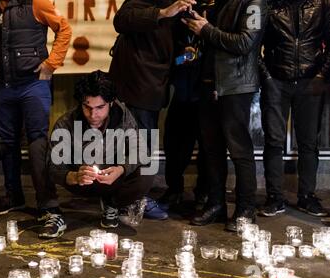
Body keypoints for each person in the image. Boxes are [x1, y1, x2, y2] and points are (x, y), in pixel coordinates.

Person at [0, 0, 72, 224]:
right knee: (8, 142)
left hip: (33, 83)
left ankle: (48, 203)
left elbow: (64, 29)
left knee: (37, 140)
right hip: (3, 84)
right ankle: (14, 197)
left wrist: (51, 64)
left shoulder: (37, 3)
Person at [182, 0, 267, 232]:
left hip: (236, 86)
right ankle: (216, 204)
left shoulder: (254, 3)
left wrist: (206, 29)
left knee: (240, 151)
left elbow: (245, 42)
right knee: (212, 150)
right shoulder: (217, 2)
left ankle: (246, 209)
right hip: (209, 84)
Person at [109, 0, 197, 221]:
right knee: (137, 145)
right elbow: (121, 21)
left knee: (144, 144)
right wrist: (163, 12)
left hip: (154, 87)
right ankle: (136, 198)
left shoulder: (178, 10)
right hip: (136, 84)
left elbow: (172, 56)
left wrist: (185, 54)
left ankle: (135, 196)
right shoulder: (145, 3)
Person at [47, 71, 153, 236]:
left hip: (113, 179)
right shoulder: (66, 123)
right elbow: (53, 168)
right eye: (87, 107)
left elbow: (140, 149)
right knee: (38, 148)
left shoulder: (122, 114)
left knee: (148, 167)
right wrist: (74, 176)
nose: (93, 115)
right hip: (82, 182)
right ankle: (49, 210)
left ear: (110, 103)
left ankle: (113, 204)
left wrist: (121, 168)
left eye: (100, 107)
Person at [259, 0, 330, 218]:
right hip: (277, 81)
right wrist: (267, 78)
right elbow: (253, 45)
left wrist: (322, 75)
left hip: (310, 81)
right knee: (274, 141)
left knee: (309, 142)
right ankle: (274, 198)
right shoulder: (269, 5)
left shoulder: (321, 4)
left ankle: (307, 197)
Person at [159, 0, 214, 213]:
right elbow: (170, 54)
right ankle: (174, 190)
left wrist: (207, 31)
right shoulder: (177, 15)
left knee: (208, 149)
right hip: (182, 91)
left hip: (208, 92)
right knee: (174, 145)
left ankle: (204, 192)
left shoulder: (217, 13)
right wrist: (184, 57)